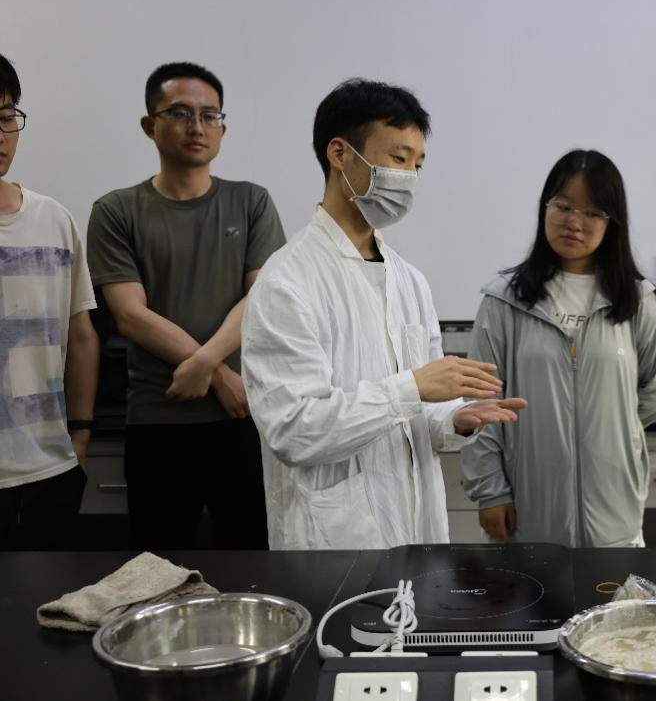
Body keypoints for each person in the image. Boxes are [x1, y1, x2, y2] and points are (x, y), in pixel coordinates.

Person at [241, 78, 527, 550]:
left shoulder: (408, 279)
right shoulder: (287, 282)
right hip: (332, 544)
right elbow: (294, 431)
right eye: (398, 158)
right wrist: (411, 388)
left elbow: (421, 414)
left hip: (416, 533)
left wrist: (456, 418)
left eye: (418, 164)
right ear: (340, 153)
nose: (410, 176)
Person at [87, 62, 285, 550]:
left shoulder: (252, 202)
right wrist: (216, 373)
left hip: (242, 417)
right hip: (159, 420)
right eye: (180, 113)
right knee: (159, 570)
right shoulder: (116, 210)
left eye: (209, 115)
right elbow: (130, 315)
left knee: (254, 562)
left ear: (222, 128)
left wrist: (204, 363)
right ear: (149, 125)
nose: (197, 127)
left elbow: (261, 298)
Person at [461, 149, 656, 547]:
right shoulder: (505, 300)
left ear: (612, 222)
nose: (574, 222)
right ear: (545, 208)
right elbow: (481, 401)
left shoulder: (636, 301)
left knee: (614, 589)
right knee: (530, 589)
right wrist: (489, 489)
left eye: (593, 212)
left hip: (614, 511)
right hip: (527, 512)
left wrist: (609, 427)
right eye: (563, 206)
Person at [0, 54, 100, 550]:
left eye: (6, 117)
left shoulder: (54, 220)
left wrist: (79, 437)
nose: (0, 135)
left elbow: (80, 336)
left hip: (50, 470)